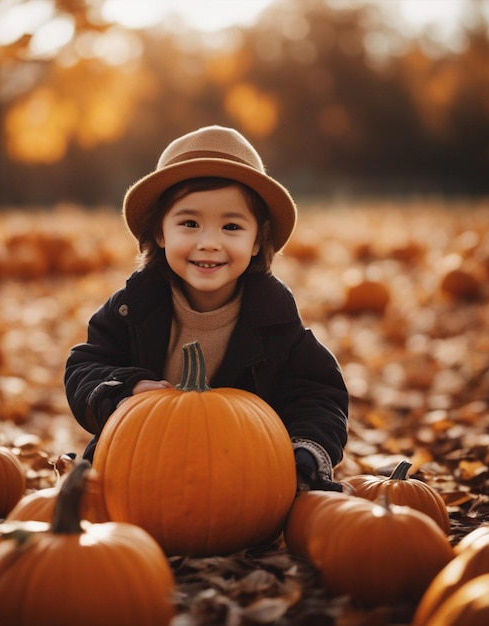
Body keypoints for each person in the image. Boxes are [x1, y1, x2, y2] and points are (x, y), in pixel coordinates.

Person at [64, 125, 348, 491]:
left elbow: (317, 394)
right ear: (160, 233)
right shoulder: (133, 307)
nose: (209, 242)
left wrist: (304, 453)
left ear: (258, 240)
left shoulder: (275, 321)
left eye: (231, 226)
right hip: (138, 471)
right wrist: (126, 390)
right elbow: (86, 366)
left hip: (240, 479)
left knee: (316, 511)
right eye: (190, 223)